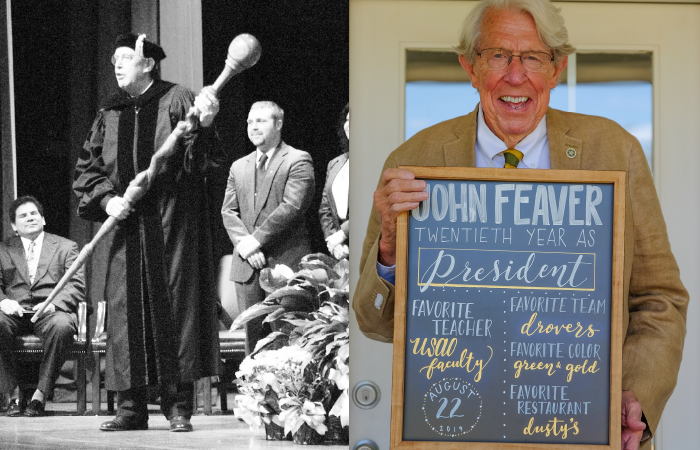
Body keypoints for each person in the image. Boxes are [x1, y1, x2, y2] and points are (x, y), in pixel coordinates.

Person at [353, 1, 688, 449]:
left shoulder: (614, 150)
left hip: (582, 429)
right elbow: (373, 322)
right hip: (458, 432)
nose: (516, 76)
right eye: (497, 56)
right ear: (470, 67)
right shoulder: (415, 161)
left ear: (557, 68)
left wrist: (636, 399)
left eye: (533, 57)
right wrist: (391, 252)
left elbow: (660, 298)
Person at [72, 33, 221, 432]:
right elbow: (88, 169)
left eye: (124, 58)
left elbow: (201, 162)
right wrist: (107, 201)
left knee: (173, 310)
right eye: (113, 60)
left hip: (172, 220)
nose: (116, 65)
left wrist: (203, 126)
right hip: (125, 224)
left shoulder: (178, 99)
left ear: (149, 63)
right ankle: (131, 408)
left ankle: (177, 407)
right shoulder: (110, 111)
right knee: (126, 313)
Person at [221, 101, 315, 355]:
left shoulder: (297, 159)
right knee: (254, 343)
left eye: (260, 121)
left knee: (287, 338)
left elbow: (292, 207)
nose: (253, 127)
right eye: (250, 122)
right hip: (247, 267)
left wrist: (256, 240)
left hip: (284, 262)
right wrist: (245, 245)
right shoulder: (238, 166)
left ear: (278, 124)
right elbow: (228, 211)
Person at [0, 196, 86, 417]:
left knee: (63, 325)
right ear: (13, 226)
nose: (29, 218)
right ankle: (13, 394)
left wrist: (53, 305)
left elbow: (76, 286)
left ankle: (40, 394)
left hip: (49, 312)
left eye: (34, 214)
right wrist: (3, 301)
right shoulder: (2, 249)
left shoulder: (66, 247)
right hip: (14, 312)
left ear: (43, 219)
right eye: (23, 216)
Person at [319, 104, 350, 260]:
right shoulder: (335, 163)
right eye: (348, 119)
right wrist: (334, 242)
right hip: (342, 249)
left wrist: (343, 233)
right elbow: (325, 208)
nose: (349, 124)